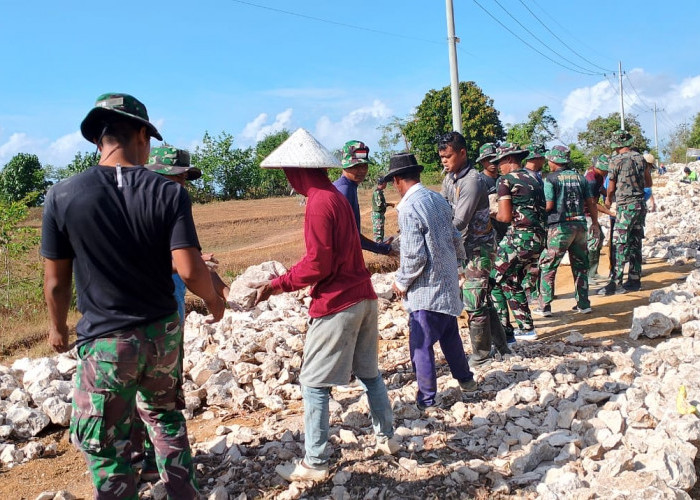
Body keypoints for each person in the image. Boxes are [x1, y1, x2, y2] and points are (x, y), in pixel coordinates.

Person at [41, 93, 224, 499]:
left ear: (98, 139)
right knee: (166, 420)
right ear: (142, 134)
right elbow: (190, 270)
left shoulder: (62, 195)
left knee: (108, 447)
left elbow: (56, 281)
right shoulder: (169, 193)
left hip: (106, 343)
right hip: (161, 334)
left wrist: (57, 329)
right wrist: (213, 299)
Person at [251, 130, 398, 482]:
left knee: (314, 384)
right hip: (364, 297)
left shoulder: (318, 201)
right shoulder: (335, 195)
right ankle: (387, 439)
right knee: (369, 374)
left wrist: (277, 285)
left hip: (338, 302)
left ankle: (315, 462)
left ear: (297, 170)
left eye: (287, 172)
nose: (286, 178)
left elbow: (319, 264)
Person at [384, 153, 477, 410]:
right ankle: (467, 382)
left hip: (426, 290)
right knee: (450, 337)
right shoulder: (437, 198)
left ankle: (426, 400)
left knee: (421, 346)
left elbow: (415, 256)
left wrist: (401, 283)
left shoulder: (409, 208)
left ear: (397, 180)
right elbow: (456, 236)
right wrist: (458, 266)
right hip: (446, 284)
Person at [439, 132, 509, 369]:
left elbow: (459, 221)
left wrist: (434, 233)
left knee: (474, 300)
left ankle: (481, 354)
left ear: (462, 153)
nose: (444, 161)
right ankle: (502, 347)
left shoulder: (472, 181)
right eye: (441, 157)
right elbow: (442, 205)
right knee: (480, 298)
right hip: (465, 247)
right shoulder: (450, 177)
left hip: (479, 247)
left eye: (448, 156)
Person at [491, 143, 546, 340]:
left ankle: (503, 331)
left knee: (492, 279)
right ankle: (526, 328)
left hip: (519, 237)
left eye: (499, 162)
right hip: (539, 238)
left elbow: (505, 217)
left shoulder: (505, 181)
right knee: (511, 280)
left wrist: (492, 213)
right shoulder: (535, 178)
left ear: (508, 160)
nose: (498, 166)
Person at [536, 145, 599, 316]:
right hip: (580, 226)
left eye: (549, 160)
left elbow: (549, 205)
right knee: (580, 267)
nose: (548, 163)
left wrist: (539, 216)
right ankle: (584, 304)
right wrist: (595, 222)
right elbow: (591, 202)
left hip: (560, 228)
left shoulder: (550, 179)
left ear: (554, 160)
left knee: (549, 266)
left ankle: (544, 306)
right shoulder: (581, 178)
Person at [598, 130, 653, 295]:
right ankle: (635, 279)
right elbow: (648, 182)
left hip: (625, 205)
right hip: (640, 205)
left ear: (616, 145)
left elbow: (611, 186)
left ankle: (616, 283)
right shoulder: (640, 158)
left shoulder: (615, 160)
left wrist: (608, 199)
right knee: (636, 241)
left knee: (620, 243)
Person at [333, 140, 394, 255]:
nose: (361, 170)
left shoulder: (349, 186)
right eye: (356, 166)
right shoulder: (345, 190)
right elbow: (350, 236)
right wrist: (381, 248)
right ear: (345, 165)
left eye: (364, 165)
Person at [585, 154, 616, 283]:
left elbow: (601, 189)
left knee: (599, 239)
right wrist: (610, 212)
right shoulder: (590, 179)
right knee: (592, 242)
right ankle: (588, 275)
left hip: (592, 213)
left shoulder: (598, 177)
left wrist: (609, 197)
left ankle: (593, 271)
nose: (606, 173)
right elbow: (592, 203)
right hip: (586, 214)